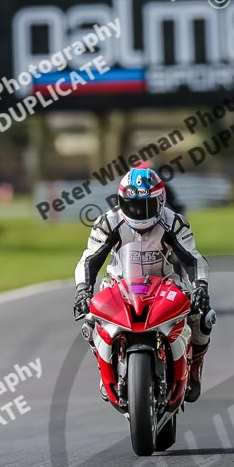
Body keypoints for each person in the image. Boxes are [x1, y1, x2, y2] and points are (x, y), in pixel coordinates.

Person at [73, 168, 212, 403]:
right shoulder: (108, 222)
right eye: (132, 205)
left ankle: (195, 368)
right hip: (118, 283)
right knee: (89, 318)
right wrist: (82, 290)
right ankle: (104, 368)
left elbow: (193, 259)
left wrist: (200, 286)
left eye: (145, 205)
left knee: (203, 315)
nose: (138, 212)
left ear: (160, 201)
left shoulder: (174, 222)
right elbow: (89, 259)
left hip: (165, 283)